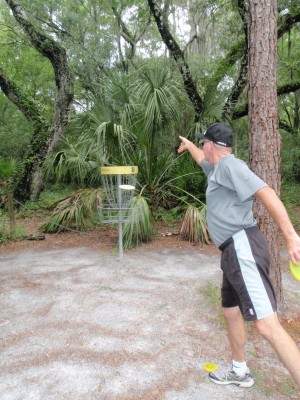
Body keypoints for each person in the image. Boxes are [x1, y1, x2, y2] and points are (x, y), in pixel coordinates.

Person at [178, 122, 300, 388]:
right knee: (230, 310)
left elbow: (265, 191)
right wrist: (188, 147)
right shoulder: (217, 168)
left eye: (202, 143)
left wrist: (291, 236)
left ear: (211, 145)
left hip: (242, 246)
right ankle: (239, 371)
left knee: (267, 326)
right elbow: (201, 161)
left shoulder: (231, 166)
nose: (201, 147)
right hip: (231, 252)